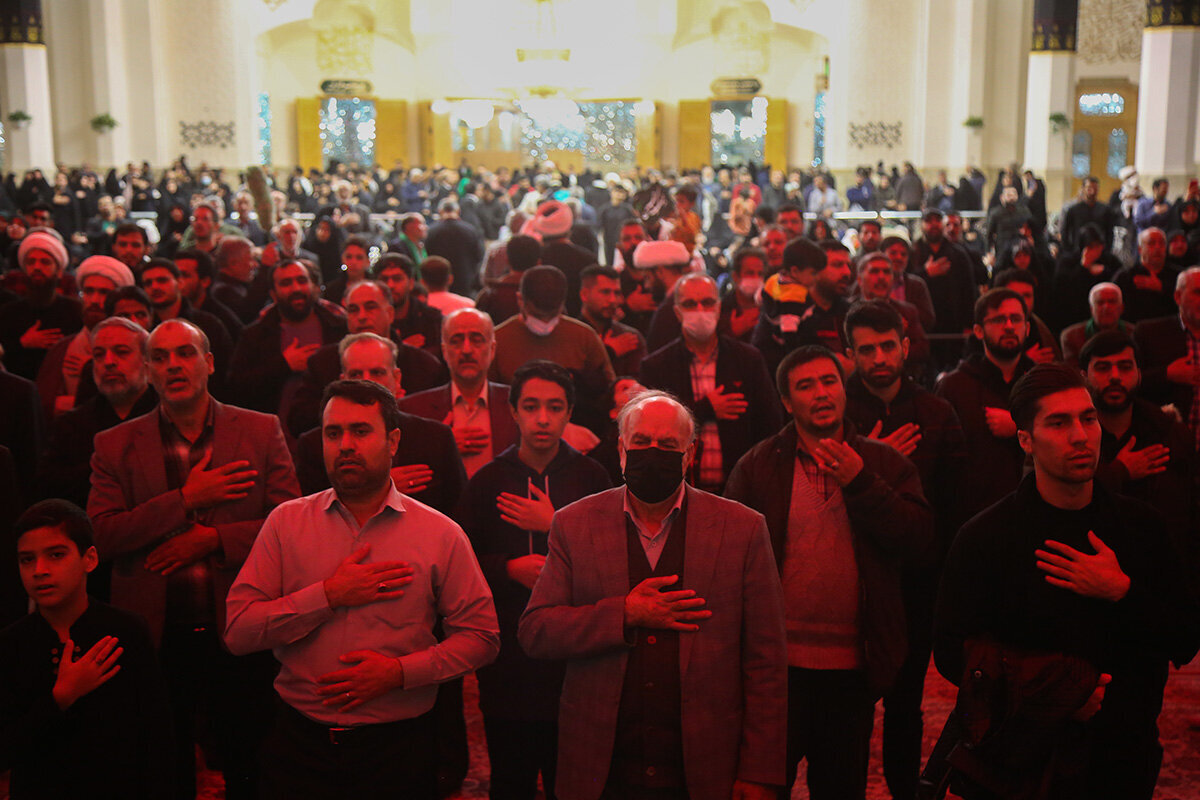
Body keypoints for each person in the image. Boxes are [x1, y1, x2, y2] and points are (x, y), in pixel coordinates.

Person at [934, 363, 1200, 799]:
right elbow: (951, 653)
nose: (1080, 436)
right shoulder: (985, 537)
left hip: (1121, 758)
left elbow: (1185, 637)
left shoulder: (1142, 527)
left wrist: (1122, 592)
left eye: (1088, 419)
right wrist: (1055, 695)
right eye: (1058, 423)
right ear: (1026, 439)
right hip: (1018, 760)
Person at [224, 378, 500, 800]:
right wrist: (328, 596)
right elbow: (238, 632)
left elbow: (482, 638)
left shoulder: (440, 534)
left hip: (398, 749)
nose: (345, 445)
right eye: (333, 433)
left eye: (361, 431)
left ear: (393, 442)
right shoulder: (285, 523)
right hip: (299, 744)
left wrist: (399, 673)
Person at [518, 390, 787, 800]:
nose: (653, 453)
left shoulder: (743, 529)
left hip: (705, 765)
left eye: (667, 445)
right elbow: (536, 630)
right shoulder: (574, 523)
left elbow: (766, 661)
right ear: (621, 449)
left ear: (690, 454)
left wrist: (760, 770)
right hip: (601, 765)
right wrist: (624, 614)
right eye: (641, 442)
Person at [88, 318, 301, 799]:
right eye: (159, 357)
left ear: (208, 362)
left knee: (250, 763)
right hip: (158, 633)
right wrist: (184, 499)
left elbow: (288, 525)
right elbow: (101, 535)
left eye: (185, 353)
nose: (173, 365)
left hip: (239, 625)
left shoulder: (261, 430)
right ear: (148, 371)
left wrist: (213, 540)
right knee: (165, 766)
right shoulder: (114, 444)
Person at [725, 346, 933, 799]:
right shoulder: (757, 466)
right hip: (775, 670)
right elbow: (729, 563)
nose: (821, 393)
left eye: (829, 381)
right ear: (786, 402)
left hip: (852, 670)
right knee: (762, 788)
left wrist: (861, 483)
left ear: (843, 389)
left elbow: (917, 541)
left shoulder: (884, 463)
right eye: (805, 386)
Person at [458, 361, 611, 799]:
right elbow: (461, 565)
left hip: (575, 661)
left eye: (554, 407)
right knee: (512, 780)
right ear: (513, 411)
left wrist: (554, 524)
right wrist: (508, 568)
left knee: (575, 782)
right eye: (531, 406)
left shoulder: (592, 477)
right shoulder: (487, 481)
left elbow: (612, 563)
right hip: (510, 660)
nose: (542, 419)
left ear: (569, 413)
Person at [840, 301, 966, 800]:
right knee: (849, 706)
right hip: (849, 576)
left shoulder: (937, 413)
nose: (879, 358)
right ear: (850, 354)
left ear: (905, 346)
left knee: (905, 702)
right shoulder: (836, 414)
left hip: (917, 581)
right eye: (867, 349)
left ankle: (902, 790)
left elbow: (954, 506)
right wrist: (872, 458)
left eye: (887, 346)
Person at [0, 499, 173, 799]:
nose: (39, 570)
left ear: (89, 559)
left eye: (56, 555)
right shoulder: (12, 643)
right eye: (27, 559)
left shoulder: (126, 631)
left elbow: (156, 737)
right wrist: (59, 699)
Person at [293, 332, 466, 515]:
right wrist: (379, 488)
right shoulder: (313, 446)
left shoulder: (436, 438)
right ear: (343, 380)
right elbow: (310, 515)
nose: (366, 381)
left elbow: (460, 512)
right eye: (356, 374)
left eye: (377, 372)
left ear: (397, 378)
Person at [639, 273, 781, 493]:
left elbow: (770, 424)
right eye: (690, 304)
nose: (700, 310)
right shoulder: (657, 366)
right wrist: (706, 408)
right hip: (677, 489)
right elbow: (653, 429)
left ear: (718, 307)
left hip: (740, 488)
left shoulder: (748, 359)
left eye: (707, 302)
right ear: (677, 312)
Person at [1080, 330, 1196, 564]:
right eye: (1103, 368)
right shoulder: (1072, 437)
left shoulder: (1170, 433)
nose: (1115, 377)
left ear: (1139, 375)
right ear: (1084, 377)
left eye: (1125, 367)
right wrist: (1118, 472)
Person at [935, 288, 1036, 519]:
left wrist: (1018, 428)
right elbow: (942, 463)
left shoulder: (1045, 383)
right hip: (972, 513)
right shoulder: (954, 387)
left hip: (1034, 513)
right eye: (999, 320)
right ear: (979, 331)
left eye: (1016, 319)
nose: (1009, 326)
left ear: (1027, 328)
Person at [400, 308, 520, 479]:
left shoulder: (517, 404)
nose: (466, 350)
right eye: (456, 341)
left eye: (476, 340)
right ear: (444, 351)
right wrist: (439, 446)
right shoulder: (414, 409)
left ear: (492, 349)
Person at [490, 265, 615, 423]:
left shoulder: (585, 337)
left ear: (562, 304)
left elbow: (608, 389)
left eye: (552, 315)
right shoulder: (497, 340)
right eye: (537, 315)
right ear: (520, 300)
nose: (545, 322)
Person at [227, 259, 348, 415]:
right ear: (273, 294)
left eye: (302, 281)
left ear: (314, 286)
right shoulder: (255, 335)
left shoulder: (338, 328)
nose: (296, 288)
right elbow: (235, 388)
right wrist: (284, 365)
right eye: (286, 283)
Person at [35, 255, 134, 420]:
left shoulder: (137, 348)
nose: (94, 300)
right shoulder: (62, 349)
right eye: (89, 292)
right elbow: (42, 402)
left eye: (104, 293)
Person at [0, 229, 82, 381]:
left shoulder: (76, 311)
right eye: (31, 262)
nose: (37, 267)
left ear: (59, 271)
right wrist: (22, 343)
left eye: (45, 262)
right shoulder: (8, 313)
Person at [1133, 266, 1200, 451]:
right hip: (1168, 446)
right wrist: (1166, 374)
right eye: (1197, 292)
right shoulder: (1149, 333)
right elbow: (1128, 384)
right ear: (1178, 296)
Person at [579, 264, 647, 377]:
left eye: (617, 293)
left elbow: (638, 383)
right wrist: (608, 351)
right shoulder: (570, 335)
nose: (613, 300)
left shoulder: (629, 338)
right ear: (584, 295)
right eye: (605, 292)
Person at [374, 252, 443, 355]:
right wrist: (403, 348)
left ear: (411, 283)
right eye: (384, 279)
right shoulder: (369, 318)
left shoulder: (431, 320)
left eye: (397, 279)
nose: (390, 285)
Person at [1061, 282, 1133, 369]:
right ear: (1091, 309)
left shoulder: (1134, 334)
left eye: (1112, 302)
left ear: (1121, 308)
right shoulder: (1071, 337)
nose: (1106, 307)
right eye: (1100, 302)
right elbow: (1074, 373)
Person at [1116, 227, 1180, 323]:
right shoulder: (1126, 277)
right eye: (1151, 243)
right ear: (1140, 249)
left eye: (1162, 243)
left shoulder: (1178, 276)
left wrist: (1162, 287)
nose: (1157, 248)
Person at [426, 198, 485, 296]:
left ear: (440, 211)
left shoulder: (431, 231)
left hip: (439, 282)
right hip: (465, 281)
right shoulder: (470, 230)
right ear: (458, 211)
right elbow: (479, 256)